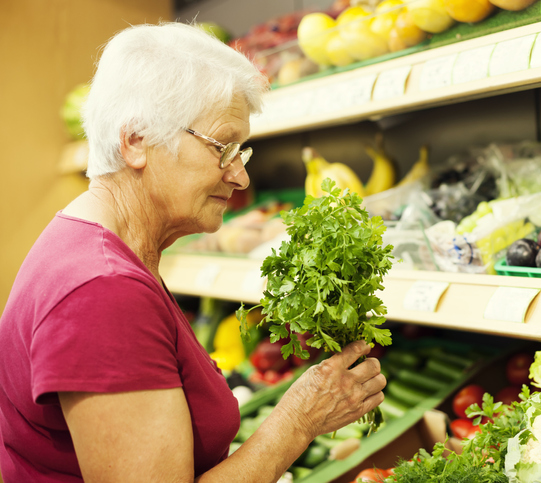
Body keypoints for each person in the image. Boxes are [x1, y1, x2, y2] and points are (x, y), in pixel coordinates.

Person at [0, 22, 386, 483]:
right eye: (223, 148)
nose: (240, 177)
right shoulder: (102, 292)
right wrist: (298, 421)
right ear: (136, 140)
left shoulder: (102, 249)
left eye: (242, 152)